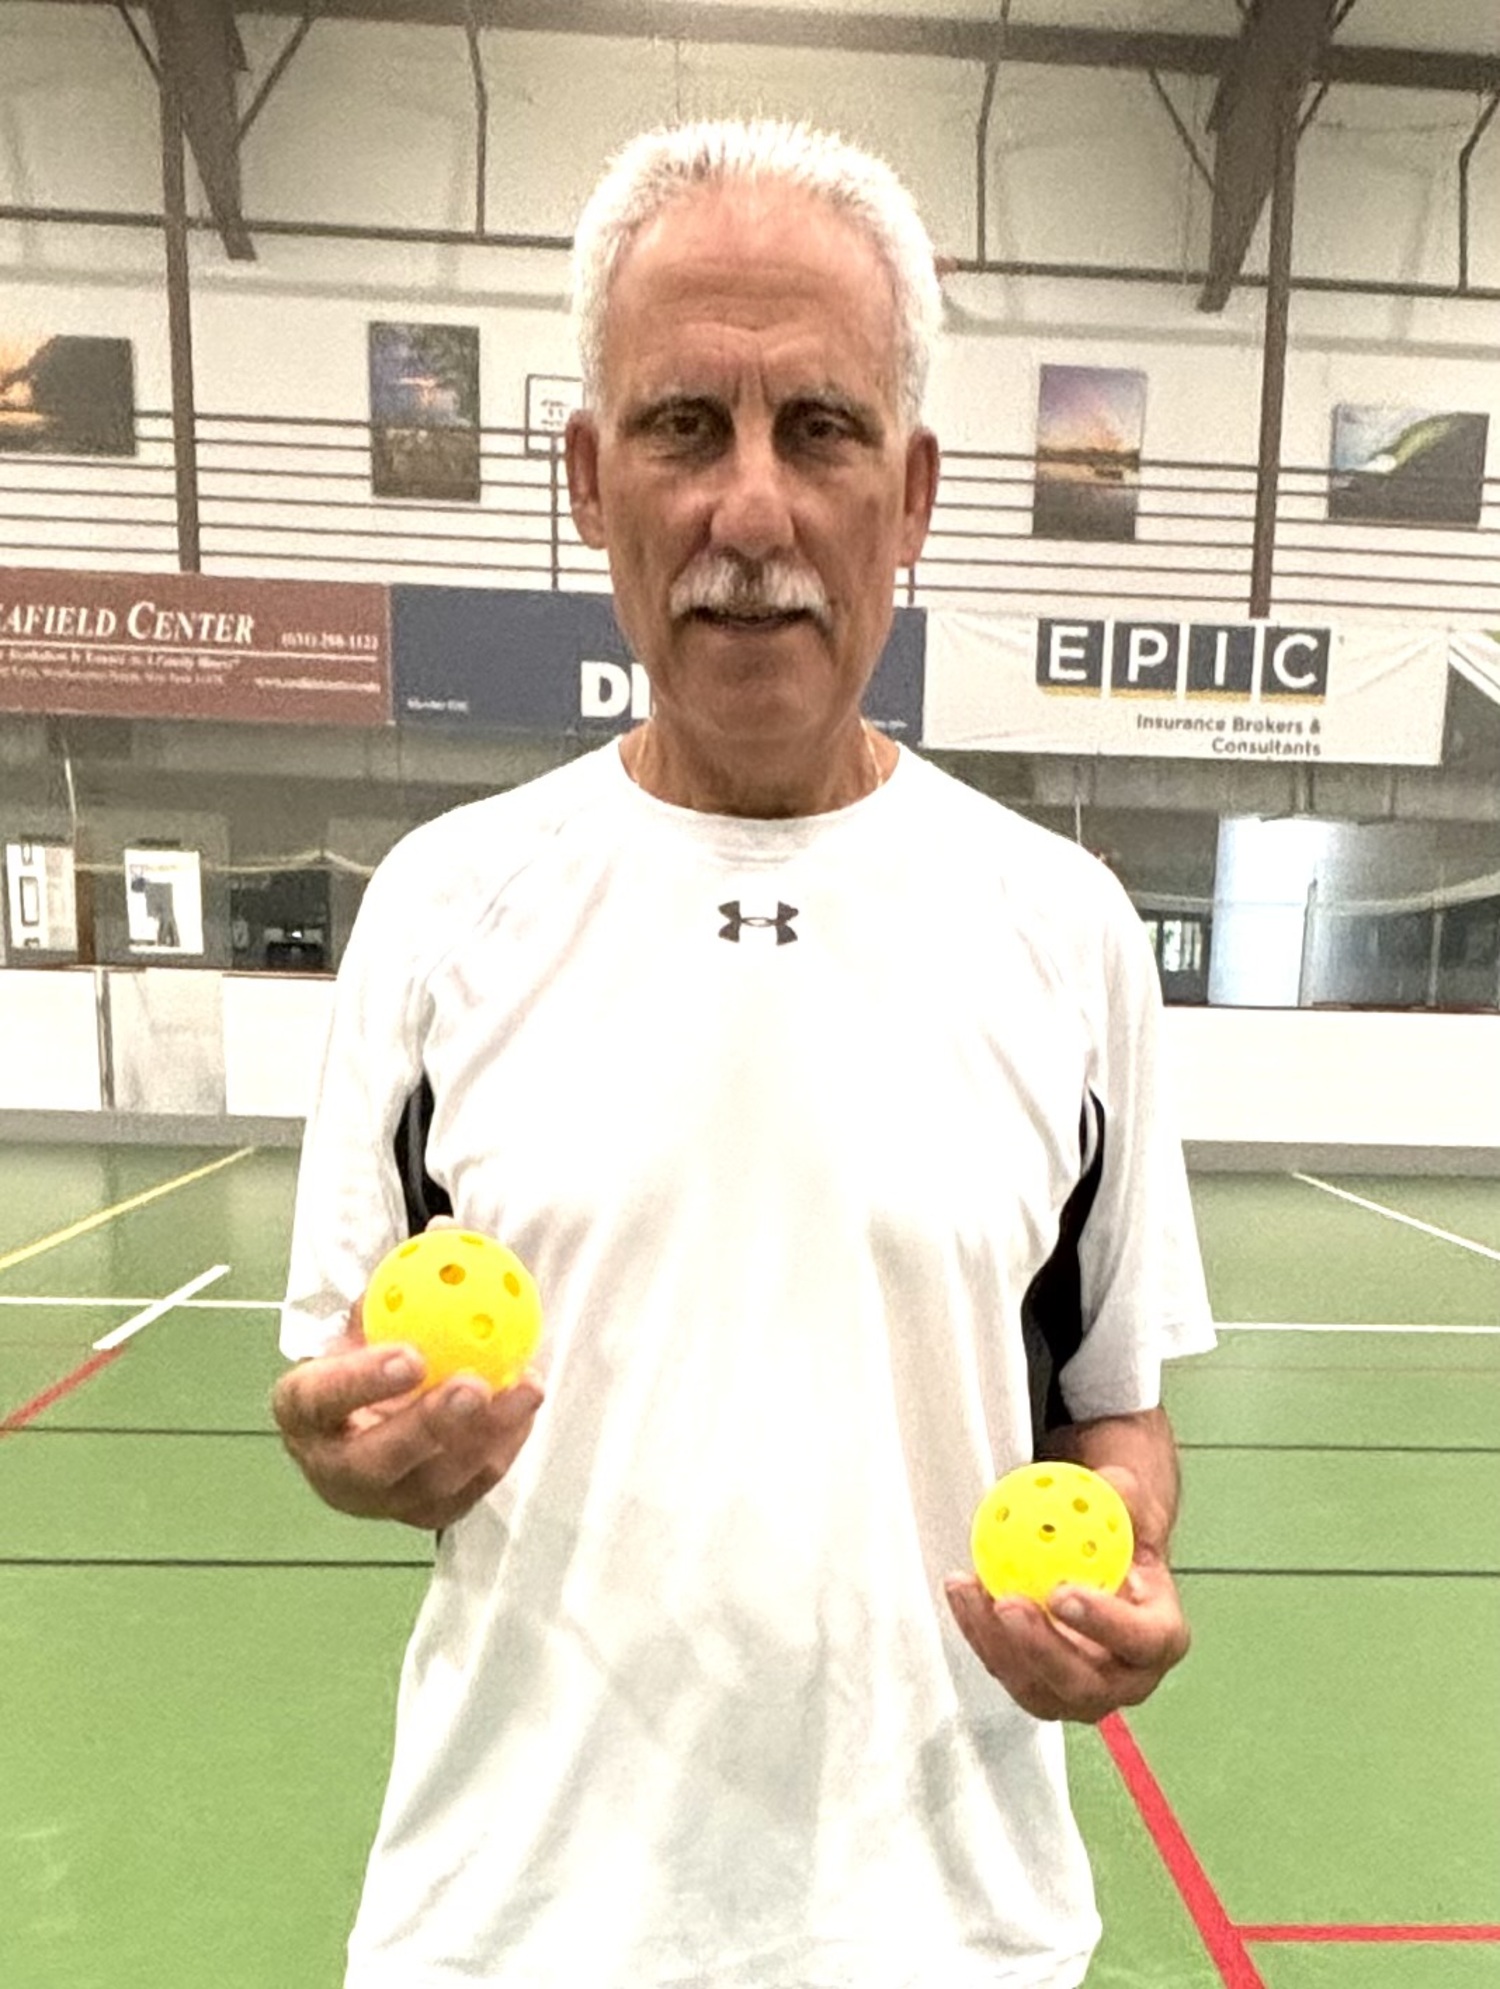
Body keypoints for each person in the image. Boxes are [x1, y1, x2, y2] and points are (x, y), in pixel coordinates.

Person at [274, 117, 1216, 1989]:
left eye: (824, 430)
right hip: (511, 1930)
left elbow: (1114, 1414)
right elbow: (339, 1389)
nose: (754, 512)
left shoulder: (1062, 927)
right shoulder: (446, 908)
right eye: (685, 426)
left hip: (948, 1931)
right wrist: (352, 1452)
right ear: (587, 474)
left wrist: (1119, 1560)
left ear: (916, 490)